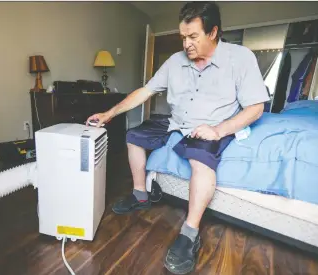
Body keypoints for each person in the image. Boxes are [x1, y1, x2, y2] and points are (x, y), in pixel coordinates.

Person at [86, 1, 269, 274]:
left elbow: (256, 107)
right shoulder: (174, 62)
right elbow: (146, 91)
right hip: (176, 122)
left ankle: (189, 233)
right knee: (134, 135)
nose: (186, 44)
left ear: (213, 32)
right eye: (183, 37)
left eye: (193, 36)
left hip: (211, 126)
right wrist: (109, 113)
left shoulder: (240, 58)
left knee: (201, 160)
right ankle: (140, 195)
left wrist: (218, 131)